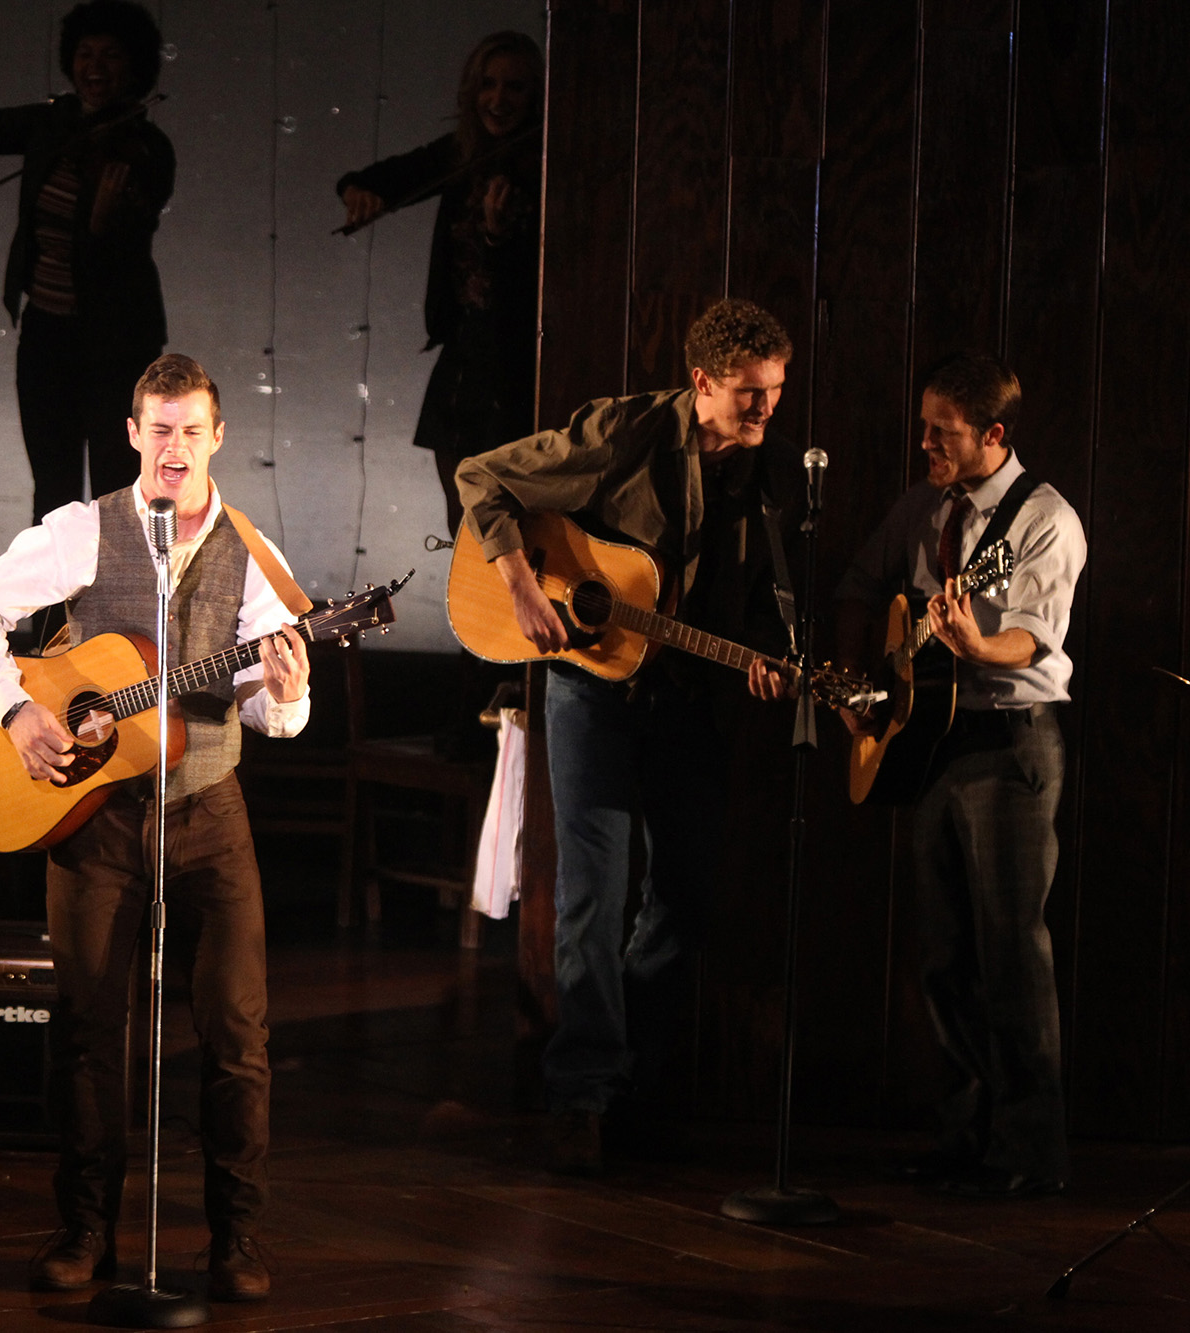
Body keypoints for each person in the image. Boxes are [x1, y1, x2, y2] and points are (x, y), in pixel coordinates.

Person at [0, 354, 311, 1302]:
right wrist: (19, 708)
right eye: (160, 427)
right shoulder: (82, 530)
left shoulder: (254, 556)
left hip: (208, 809)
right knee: (90, 1029)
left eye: (193, 429)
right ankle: (88, 1227)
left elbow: (271, 714)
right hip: (96, 816)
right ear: (134, 431)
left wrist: (289, 691)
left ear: (218, 437)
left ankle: (235, 1239)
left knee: (237, 1032)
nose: (175, 446)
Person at [454, 299, 802, 1175]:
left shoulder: (771, 474)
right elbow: (479, 476)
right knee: (591, 893)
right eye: (747, 396)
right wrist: (526, 588)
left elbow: (760, 595)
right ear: (700, 384)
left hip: (687, 693)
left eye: (775, 391)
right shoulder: (624, 431)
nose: (765, 410)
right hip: (592, 686)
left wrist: (762, 657)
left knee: (684, 894)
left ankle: (632, 1078)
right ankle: (582, 1093)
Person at [836, 355, 1085, 1199]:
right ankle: (966, 1132)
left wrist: (978, 647)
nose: (926, 443)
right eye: (925, 425)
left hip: (1011, 746)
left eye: (943, 433)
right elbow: (860, 586)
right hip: (933, 743)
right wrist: (855, 682)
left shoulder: (1045, 519)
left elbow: (1031, 634)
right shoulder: (924, 506)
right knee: (944, 954)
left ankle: (1031, 1150)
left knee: (1012, 951)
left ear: (994, 435)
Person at [0, 0, 174, 524]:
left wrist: (100, 224)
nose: (94, 67)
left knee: (120, 491)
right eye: (85, 53)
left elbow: (125, 248)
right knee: (53, 493)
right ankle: (51, 610)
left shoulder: (149, 147)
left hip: (118, 342)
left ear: (135, 68)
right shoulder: (53, 124)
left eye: (111, 56)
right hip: (46, 336)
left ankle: (115, 605)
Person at [337, 30, 543, 538]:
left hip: (518, 359)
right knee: (460, 504)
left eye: (514, 88)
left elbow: (526, 283)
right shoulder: (461, 153)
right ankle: (470, 604)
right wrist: (359, 193)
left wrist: (497, 238)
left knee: (511, 510)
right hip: (464, 348)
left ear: (537, 95)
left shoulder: (547, 167)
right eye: (488, 85)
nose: (498, 100)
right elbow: (373, 178)